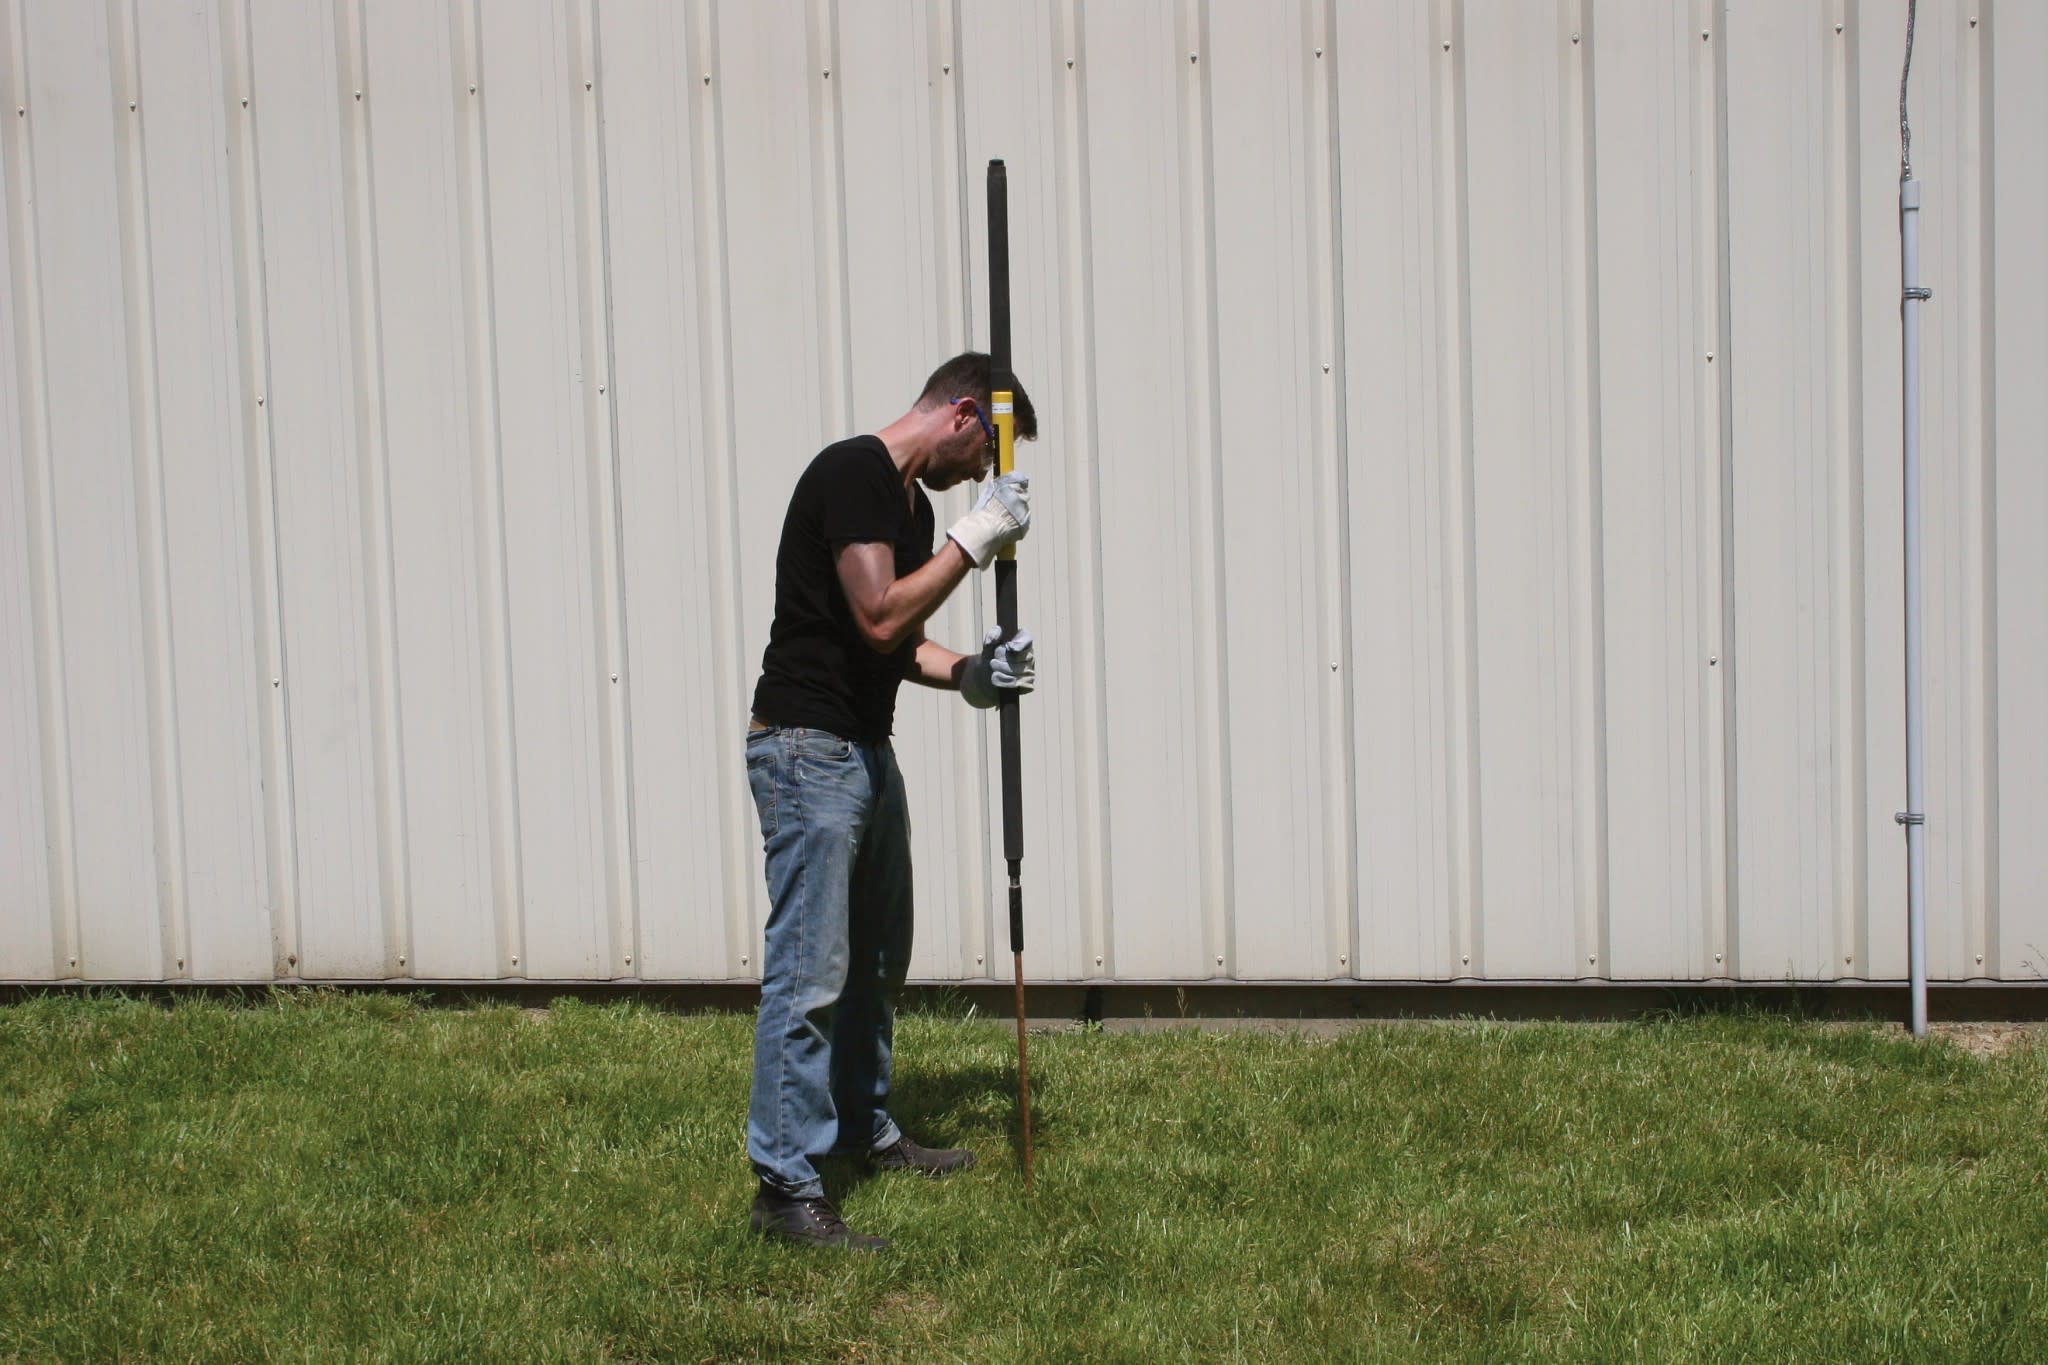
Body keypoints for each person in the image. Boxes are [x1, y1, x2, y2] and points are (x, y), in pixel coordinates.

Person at [742, 352, 1039, 1250]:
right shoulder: (853, 473)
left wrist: (976, 674)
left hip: (864, 752)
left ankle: (861, 1128)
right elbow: (877, 611)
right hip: (807, 750)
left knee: (876, 959)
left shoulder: (908, 509)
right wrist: (974, 541)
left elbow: (898, 641)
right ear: (963, 414)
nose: (982, 477)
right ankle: (785, 1187)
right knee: (810, 969)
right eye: (987, 454)